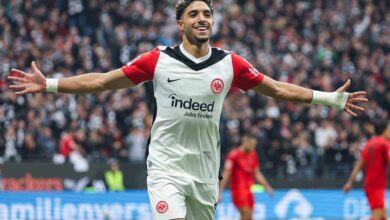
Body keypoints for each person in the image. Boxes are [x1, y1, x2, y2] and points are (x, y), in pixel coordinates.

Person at [8, 0, 367, 219]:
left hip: (205, 171)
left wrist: (327, 98)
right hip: (165, 165)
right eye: (194, 14)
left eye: (207, 14)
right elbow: (103, 80)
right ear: (181, 24)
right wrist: (50, 84)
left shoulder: (231, 64)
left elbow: (276, 89)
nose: (202, 19)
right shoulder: (157, 60)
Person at [343, 121, 390, 220]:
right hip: (377, 185)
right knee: (377, 216)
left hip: (369, 184)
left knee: (383, 216)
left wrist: (350, 182)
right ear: (384, 131)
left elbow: (359, 165)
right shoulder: (384, 144)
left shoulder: (369, 144)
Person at [219, 134, 273, 220]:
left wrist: (267, 187)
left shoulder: (253, 155)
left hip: (248, 190)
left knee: (250, 216)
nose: (254, 146)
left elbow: (257, 173)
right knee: (245, 214)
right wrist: (220, 191)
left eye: (255, 145)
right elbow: (226, 173)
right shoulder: (233, 155)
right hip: (238, 190)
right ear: (245, 142)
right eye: (252, 144)